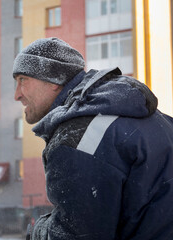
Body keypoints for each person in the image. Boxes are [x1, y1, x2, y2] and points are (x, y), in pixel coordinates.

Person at [13, 37, 173, 240]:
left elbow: (78, 235)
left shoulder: (78, 139)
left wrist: (37, 232)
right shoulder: (145, 116)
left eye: (22, 80)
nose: (17, 94)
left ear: (54, 80)